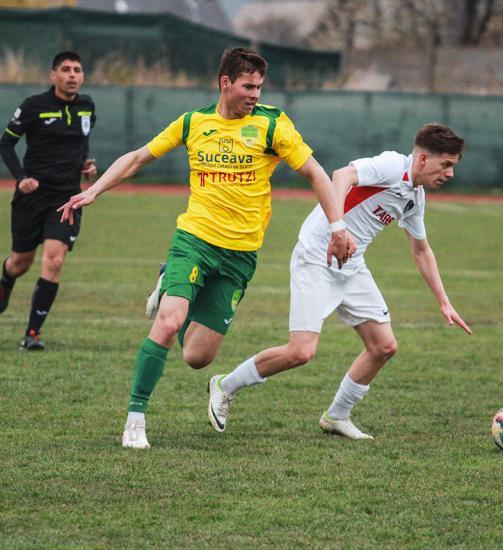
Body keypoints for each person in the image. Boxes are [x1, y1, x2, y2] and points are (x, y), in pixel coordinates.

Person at [58, 47, 353, 449]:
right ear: (225, 82)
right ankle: (135, 419)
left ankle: (168, 286)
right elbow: (139, 158)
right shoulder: (193, 122)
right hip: (194, 240)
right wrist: (93, 190)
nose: (255, 93)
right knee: (166, 323)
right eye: (248, 86)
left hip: (240, 256)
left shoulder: (272, 125)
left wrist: (338, 225)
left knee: (197, 357)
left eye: (260, 87)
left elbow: (316, 173)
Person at [207, 123, 473, 439]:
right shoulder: (391, 166)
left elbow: (421, 249)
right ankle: (225, 385)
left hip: (351, 265)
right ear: (423, 159)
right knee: (300, 352)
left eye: (453, 167)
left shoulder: (415, 196)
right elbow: (340, 175)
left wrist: (444, 301)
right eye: (446, 165)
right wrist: (337, 229)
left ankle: (336, 416)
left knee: (383, 346)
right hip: (317, 255)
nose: (450, 174)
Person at [0, 51, 96, 350]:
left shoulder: (87, 107)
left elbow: (82, 142)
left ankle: (32, 334)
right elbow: (6, 144)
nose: (72, 75)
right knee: (20, 263)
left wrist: (85, 165)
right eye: (65, 70)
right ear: (53, 75)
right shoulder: (34, 106)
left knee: (53, 261)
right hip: (32, 197)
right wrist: (21, 178)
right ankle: (5, 279)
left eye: (77, 70)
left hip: (67, 197)